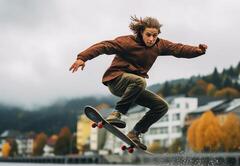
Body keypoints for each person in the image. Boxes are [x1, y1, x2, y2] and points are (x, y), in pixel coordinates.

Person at [70, 16, 207, 150]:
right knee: (140, 82)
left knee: (161, 106)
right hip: (116, 80)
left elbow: (178, 49)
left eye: (154, 35)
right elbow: (104, 46)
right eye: (148, 35)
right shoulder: (127, 42)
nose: (151, 39)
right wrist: (83, 58)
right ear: (141, 32)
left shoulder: (159, 45)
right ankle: (116, 114)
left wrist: (198, 50)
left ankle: (135, 133)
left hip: (134, 87)